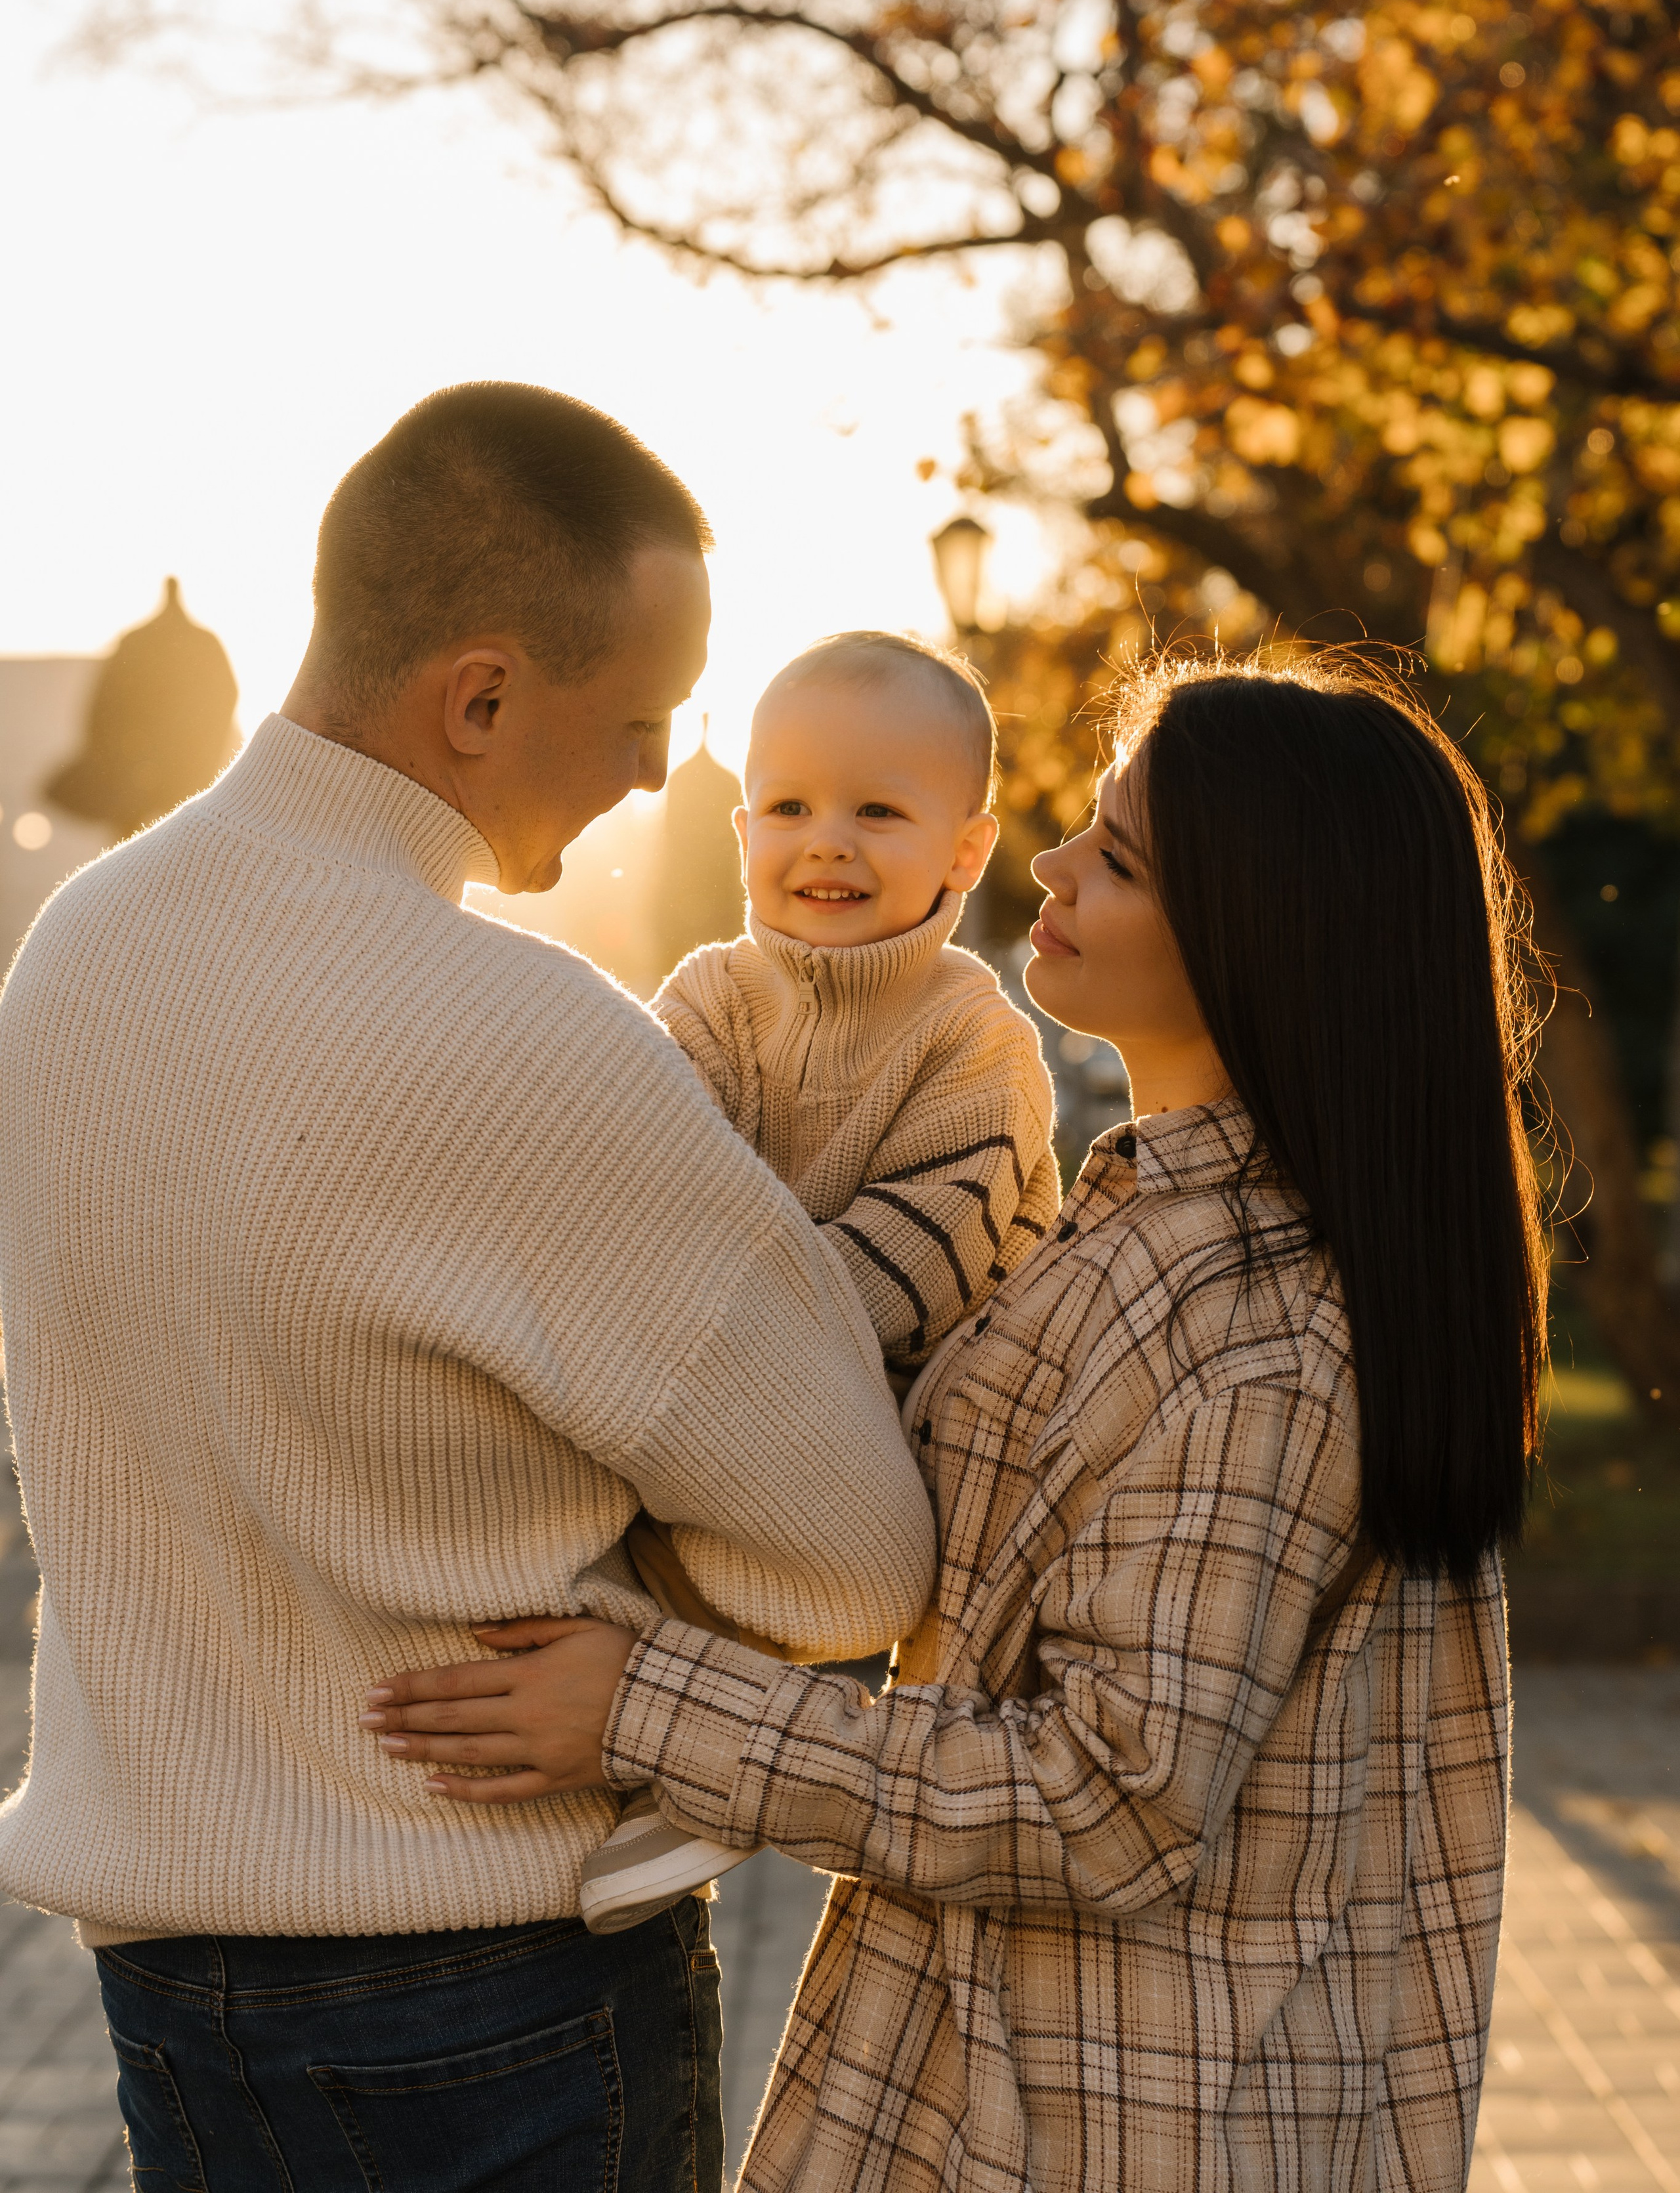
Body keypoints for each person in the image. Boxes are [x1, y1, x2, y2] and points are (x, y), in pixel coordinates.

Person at [366, 652, 1542, 2193]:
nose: (1051, 863)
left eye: (1117, 856)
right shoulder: (1130, 1218)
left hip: (1133, 2116)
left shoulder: (1271, 1336)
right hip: (991, 2064)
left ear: (1264, 931)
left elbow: (1107, 1801)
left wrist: (649, 1709)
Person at [0, 383, 936, 2193]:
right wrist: (635, 1639)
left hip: (169, 1997)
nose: (665, 773)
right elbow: (853, 1561)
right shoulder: (528, 1041)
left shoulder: (76, 951)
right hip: (485, 1990)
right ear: (483, 699)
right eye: (646, 715)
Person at [579, 631, 1059, 1931]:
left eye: (877, 813)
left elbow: (911, 1264)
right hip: (729, 1378)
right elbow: (646, 1188)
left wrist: (704, 1333)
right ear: (741, 830)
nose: (825, 842)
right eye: (788, 807)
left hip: (903, 1412)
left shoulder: (976, 1041)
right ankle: (627, 1715)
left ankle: (713, 1747)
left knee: (765, 1518)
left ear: (965, 851)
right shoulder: (708, 1002)